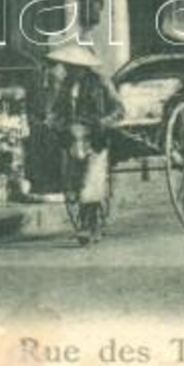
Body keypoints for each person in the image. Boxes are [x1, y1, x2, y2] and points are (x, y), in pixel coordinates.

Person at [43, 42, 124, 244]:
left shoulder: (101, 83)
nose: (70, 70)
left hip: (96, 138)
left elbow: (119, 110)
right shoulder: (66, 87)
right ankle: (91, 223)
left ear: (83, 67)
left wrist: (103, 122)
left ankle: (87, 225)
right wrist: (52, 121)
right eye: (68, 66)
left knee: (91, 183)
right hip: (73, 139)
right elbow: (57, 111)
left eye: (74, 67)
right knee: (75, 182)